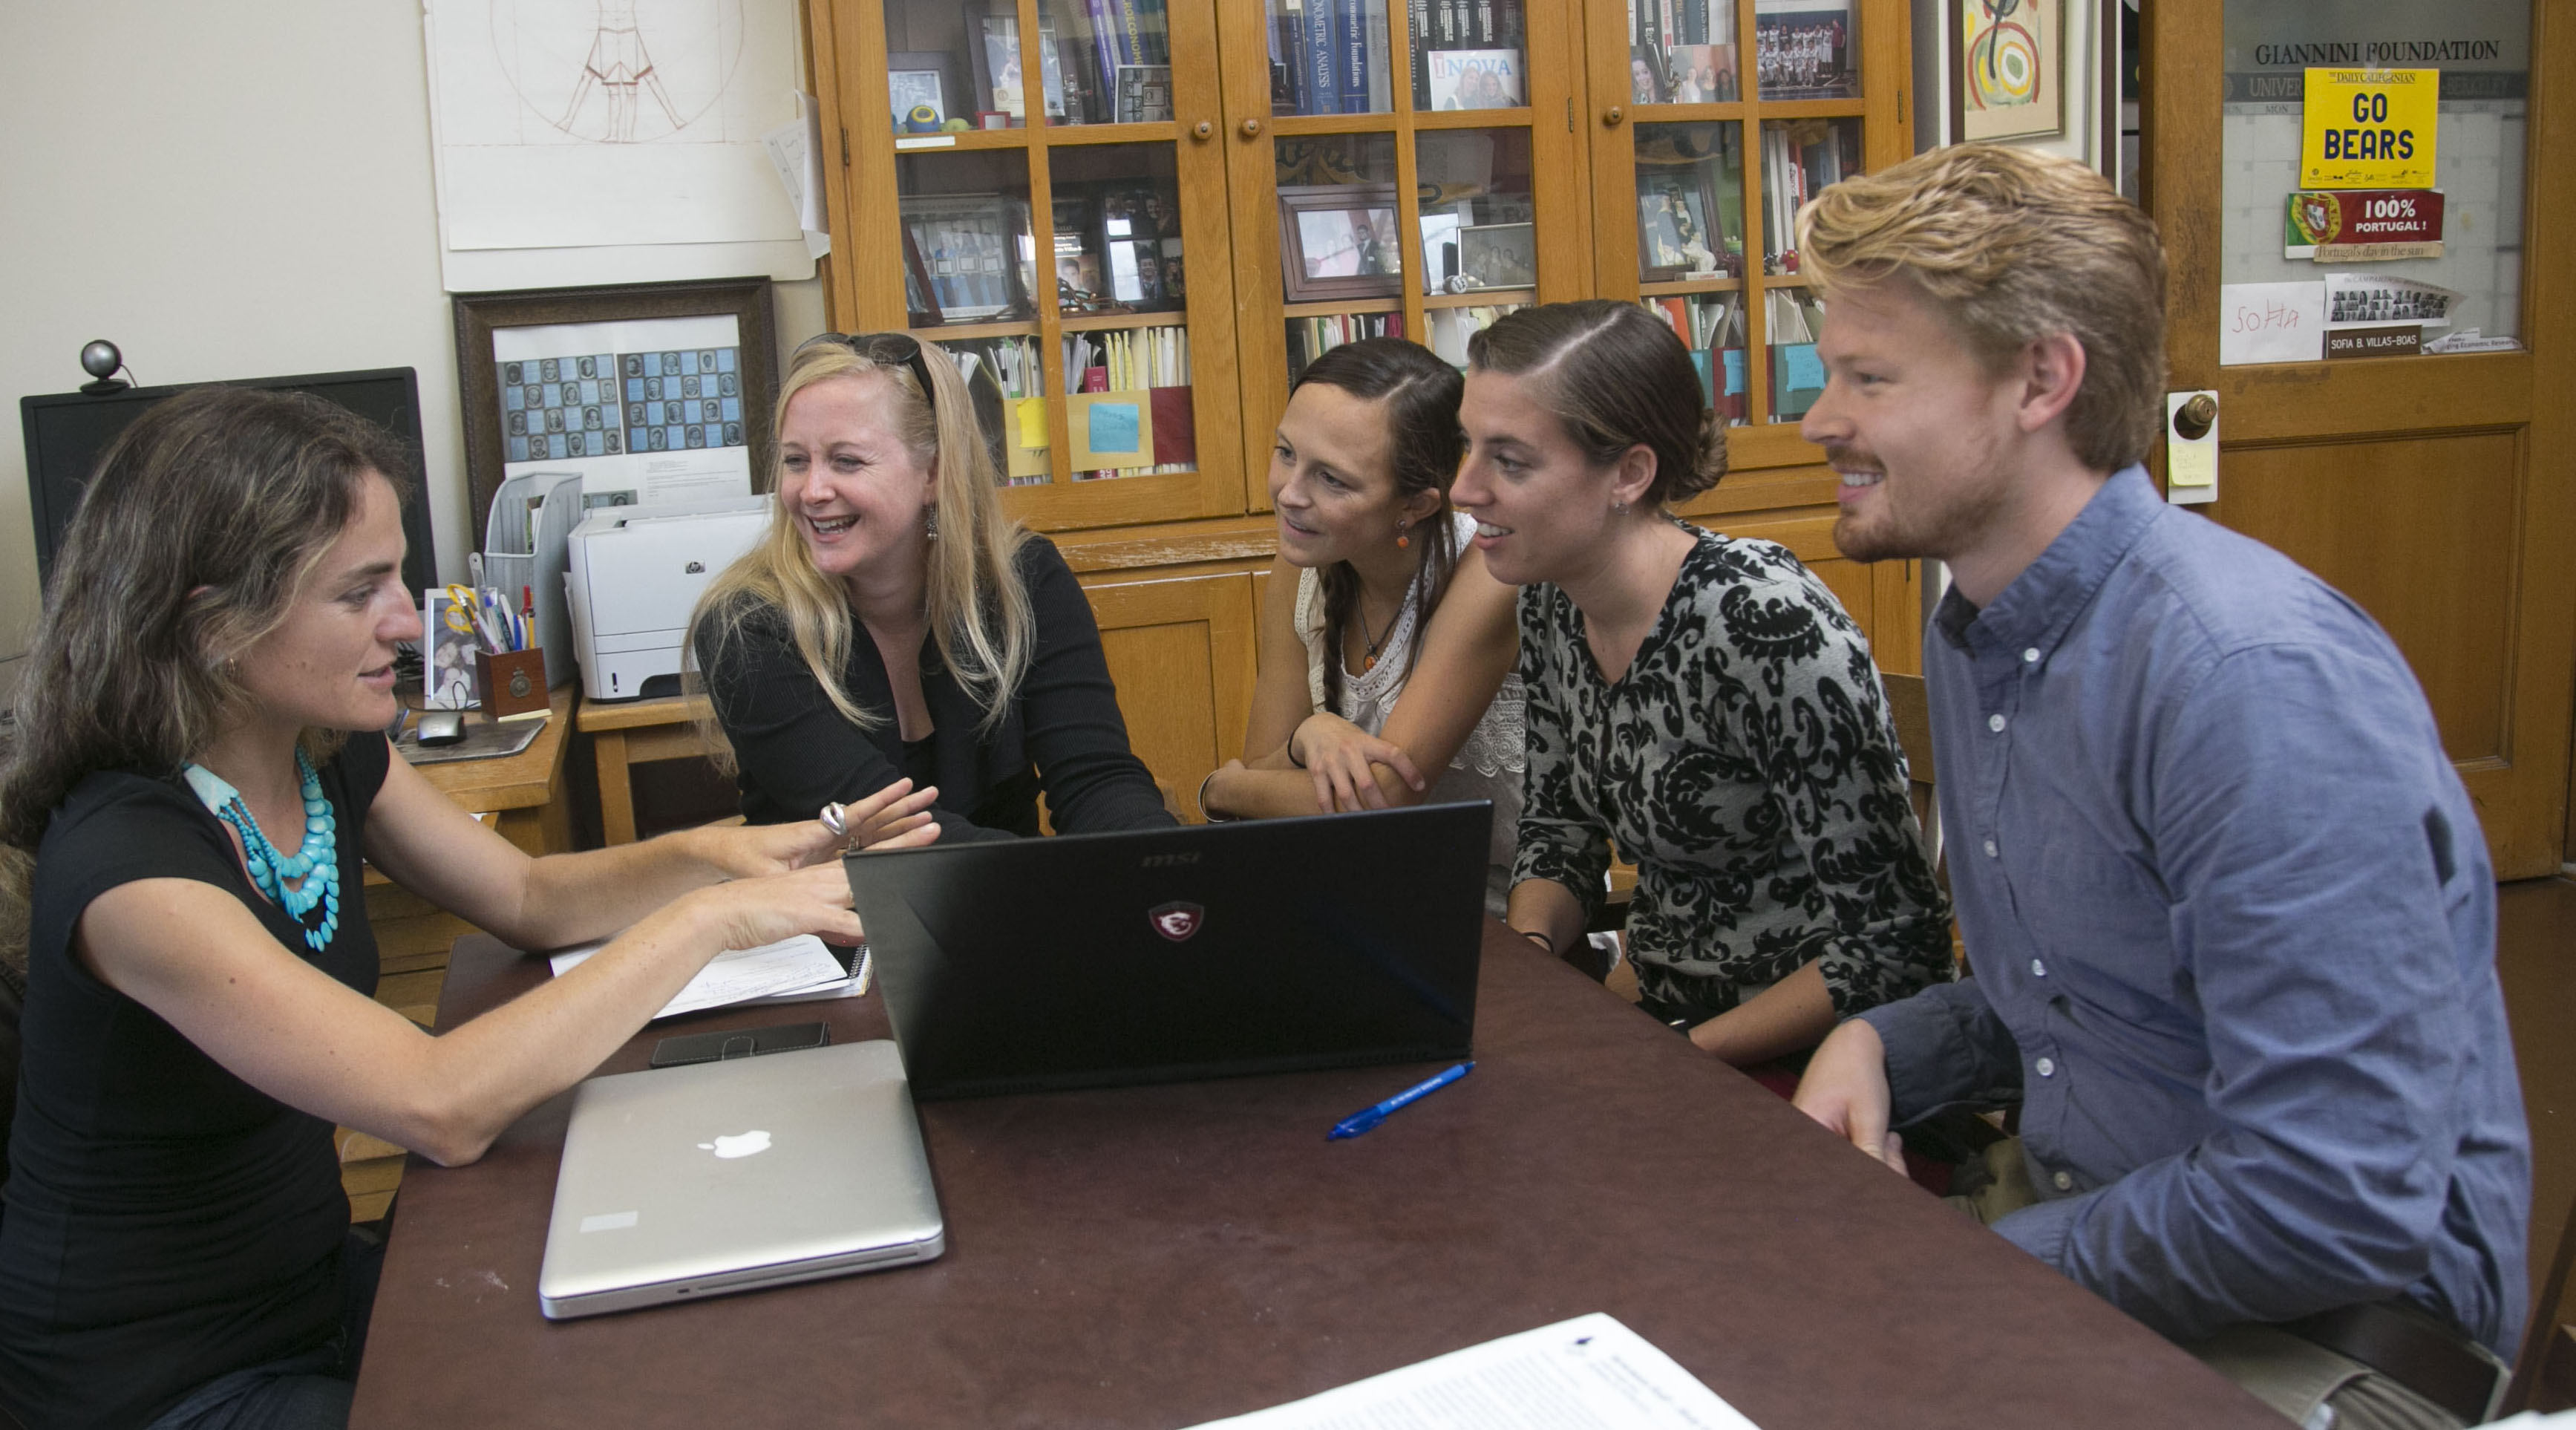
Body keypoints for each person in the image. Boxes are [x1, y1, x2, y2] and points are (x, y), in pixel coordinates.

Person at [0, 387, 936, 1430]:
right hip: (158, 1385)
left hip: (310, 1296)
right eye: (360, 593)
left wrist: (711, 855)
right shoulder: (133, 869)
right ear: (217, 621)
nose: (407, 618)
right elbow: (435, 1102)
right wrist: (712, 918)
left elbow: (527, 895)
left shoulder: (320, 751)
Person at [1783, 144, 2529, 1428]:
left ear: (2041, 379)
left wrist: (1967, 1278)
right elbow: (2082, 996)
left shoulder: (2249, 680)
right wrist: (1879, 1041)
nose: (1819, 419)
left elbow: (2324, 1198)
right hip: (2117, 1231)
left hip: (2335, 1339)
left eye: (1870, 377)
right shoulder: (1986, 622)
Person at [1449, 301, 1950, 1070]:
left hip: (1819, 1053)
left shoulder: (1764, 624)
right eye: (1467, 448)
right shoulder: (1551, 601)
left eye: (1508, 461)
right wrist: (1529, 962)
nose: (1463, 488)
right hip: (1667, 1018)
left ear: (1628, 472)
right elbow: (1559, 831)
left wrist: (1673, 1056)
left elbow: (1893, 943)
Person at [692, 333, 1175, 842]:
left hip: (1010, 907)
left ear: (935, 473)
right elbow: (892, 831)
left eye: (846, 461)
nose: (811, 491)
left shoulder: (1025, 580)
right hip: (838, 917)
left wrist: (1157, 871)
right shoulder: (745, 628)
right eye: (795, 461)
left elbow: (1095, 779)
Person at [1200, 339, 1523, 915]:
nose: (1288, 494)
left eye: (1333, 479)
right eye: (1285, 452)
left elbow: (1381, 795)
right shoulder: (1304, 562)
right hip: (1354, 894)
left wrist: (1219, 790)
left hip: (1495, 913)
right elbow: (1264, 782)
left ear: (1417, 506)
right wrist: (1307, 739)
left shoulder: (1489, 572)